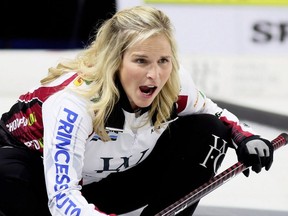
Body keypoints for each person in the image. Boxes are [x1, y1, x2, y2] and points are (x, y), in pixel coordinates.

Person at [0, 5, 274, 216]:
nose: (154, 75)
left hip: (103, 182)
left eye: (163, 61)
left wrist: (246, 138)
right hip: (40, 186)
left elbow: (216, 115)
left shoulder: (174, 83)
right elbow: (61, 198)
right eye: (141, 61)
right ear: (114, 61)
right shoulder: (74, 103)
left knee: (209, 132)